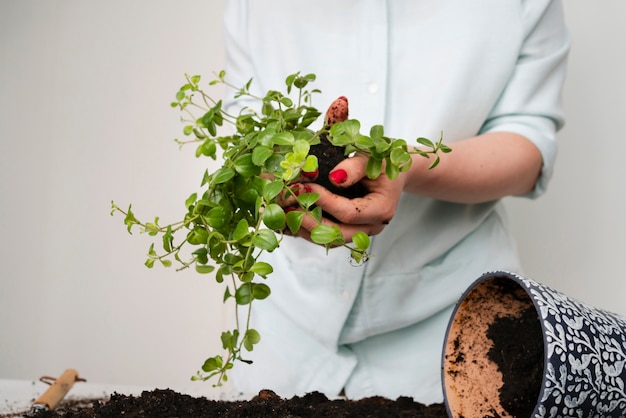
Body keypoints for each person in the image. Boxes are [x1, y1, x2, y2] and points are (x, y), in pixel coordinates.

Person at [221, 0, 569, 404]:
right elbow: (243, 136)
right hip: (288, 336)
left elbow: (527, 142)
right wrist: (272, 184)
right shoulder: (254, 8)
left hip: (446, 337)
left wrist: (408, 165)